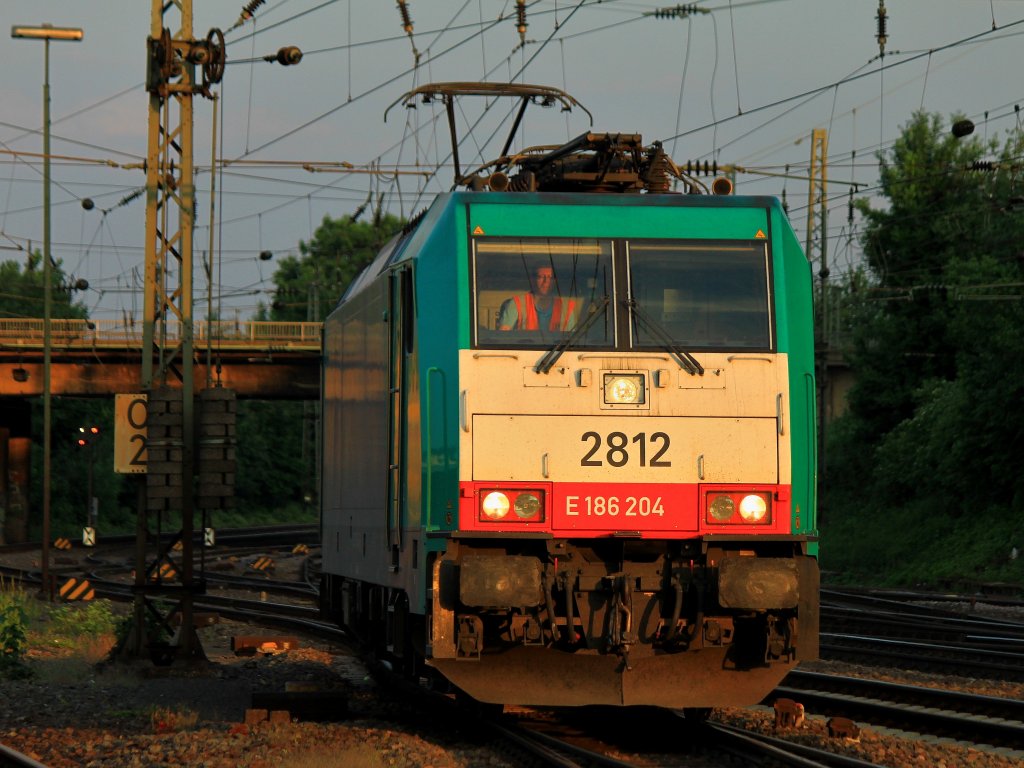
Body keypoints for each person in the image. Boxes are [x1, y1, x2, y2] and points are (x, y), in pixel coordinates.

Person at [497, 265, 576, 331]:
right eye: (541, 277)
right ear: (532, 280)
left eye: (550, 277)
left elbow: (572, 341)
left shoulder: (566, 308)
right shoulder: (516, 304)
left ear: (554, 281)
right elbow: (503, 335)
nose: (546, 281)